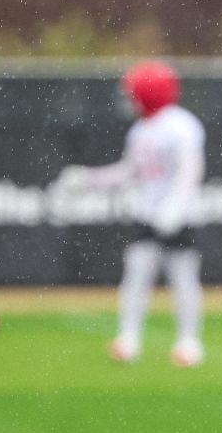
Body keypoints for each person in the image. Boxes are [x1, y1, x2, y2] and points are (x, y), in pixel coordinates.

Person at [58, 60, 206, 367]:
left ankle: (189, 343)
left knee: (183, 278)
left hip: (180, 215)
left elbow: (190, 171)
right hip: (147, 212)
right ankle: (128, 339)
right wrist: (89, 179)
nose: (129, 99)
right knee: (136, 275)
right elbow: (131, 172)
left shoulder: (181, 125)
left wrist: (175, 208)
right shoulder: (141, 129)